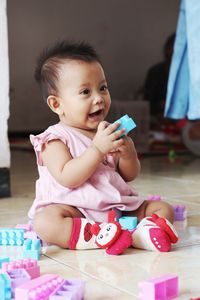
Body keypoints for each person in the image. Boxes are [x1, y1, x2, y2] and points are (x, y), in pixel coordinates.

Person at [29, 40, 178, 253]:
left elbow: (129, 175)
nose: (99, 98)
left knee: (162, 208)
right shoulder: (54, 139)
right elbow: (67, 177)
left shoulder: (106, 132)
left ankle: (141, 234)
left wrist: (128, 153)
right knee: (45, 222)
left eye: (103, 88)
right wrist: (97, 150)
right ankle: (94, 235)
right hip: (75, 209)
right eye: (85, 92)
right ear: (57, 104)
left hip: (116, 208)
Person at [144, 33, 175, 127]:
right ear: (167, 50)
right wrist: (160, 105)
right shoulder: (155, 72)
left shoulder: (191, 74)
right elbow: (146, 103)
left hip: (183, 123)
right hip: (158, 120)